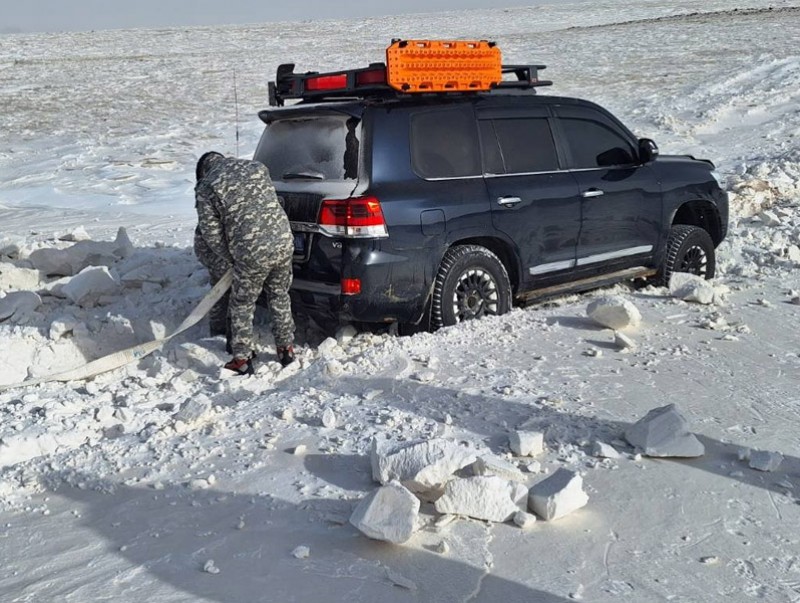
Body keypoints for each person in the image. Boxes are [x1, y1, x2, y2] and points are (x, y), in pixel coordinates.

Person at [194, 151, 295, 374]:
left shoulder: (207, 185)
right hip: (284, 241)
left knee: (242, 302)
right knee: (279, 295)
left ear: (203, 171)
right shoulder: (257, 167)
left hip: (251, 249)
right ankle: (286, 349)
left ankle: (241, 359)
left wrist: (232, 256)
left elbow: (210, 234)